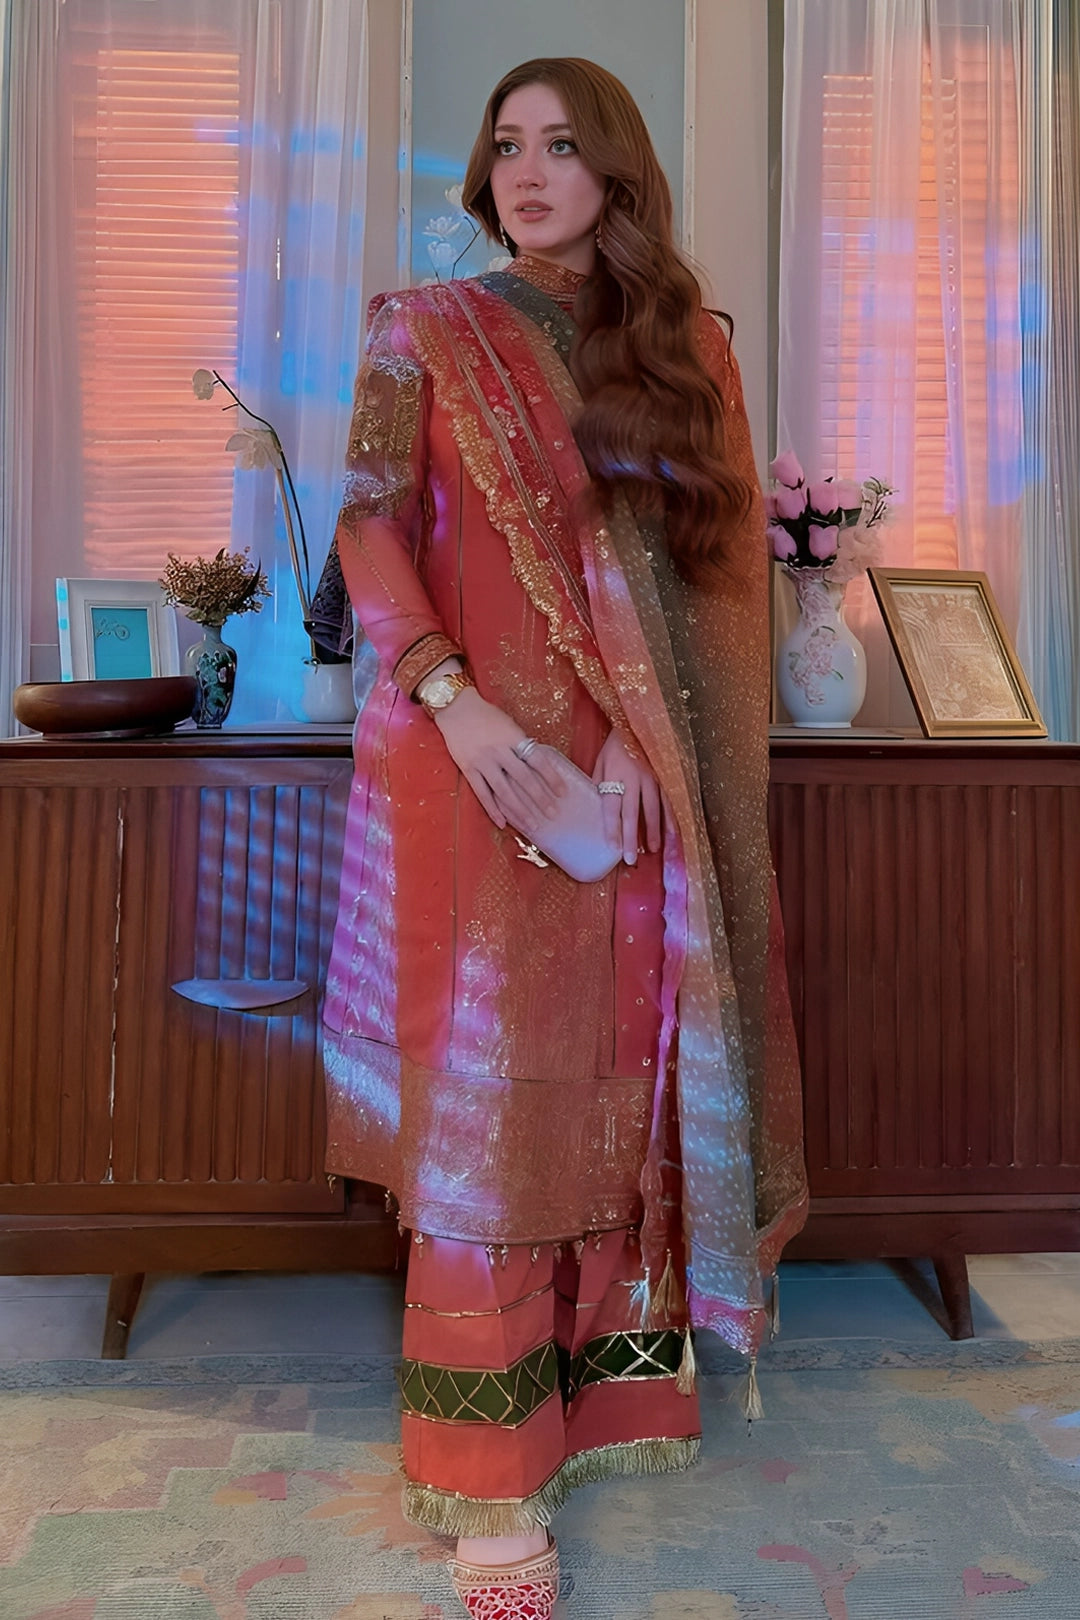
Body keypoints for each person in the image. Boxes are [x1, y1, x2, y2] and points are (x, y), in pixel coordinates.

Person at [318, 56, 807, 1620]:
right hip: (473, 772)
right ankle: (486, 1483)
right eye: (508, 145)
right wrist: (452, 703)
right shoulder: (425, 329)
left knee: (615, 1087)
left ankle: (595, 1412)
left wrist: (649, 756)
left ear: (618, 171)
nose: (529, 172)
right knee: (493, 1119)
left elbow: (710, 589)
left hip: (632, 795)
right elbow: (370, 524)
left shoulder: (685, 349)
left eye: (563, 145)